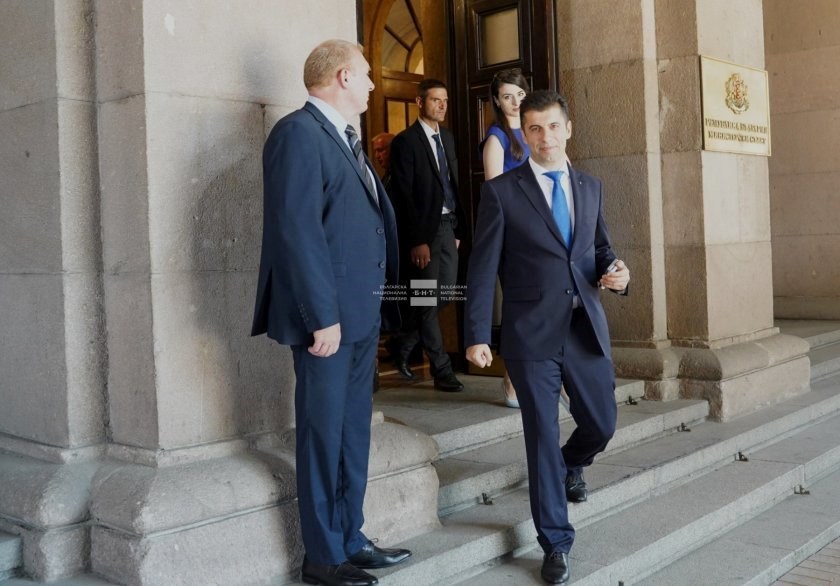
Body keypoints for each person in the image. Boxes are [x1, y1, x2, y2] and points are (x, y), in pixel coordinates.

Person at [251, 39, 410, 586]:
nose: (371, 84)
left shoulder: (344, 138)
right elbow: (297, 233)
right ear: (342, 76)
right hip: (328, 322)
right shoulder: (297, 134)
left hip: (362, 316)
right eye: (365, 74)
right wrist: (322, 316)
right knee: (322, 437)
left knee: (352, 434)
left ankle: (350, 538)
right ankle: (322, 557)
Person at [464, 90, 630, 585]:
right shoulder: (502, 193)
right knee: (540, 436)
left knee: (602, 423)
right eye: (534, 129)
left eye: (553, 127)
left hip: (583, 328)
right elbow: (482, 268)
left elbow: (600, 248)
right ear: (524, 134)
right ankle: (555, 542)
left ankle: (569, 466)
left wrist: (618, 273)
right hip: (530, 335)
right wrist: (476, 334)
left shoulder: (590, 186)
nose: (545, 137)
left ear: (568, 129)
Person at [388, 79, 466, 392]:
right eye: (436, 100)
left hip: (449, 227)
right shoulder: (405, 142)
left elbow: (453, 184)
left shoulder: (447, 138)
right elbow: (403, 195)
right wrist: (417, 240)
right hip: (424, 233)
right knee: (425, 299)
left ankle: (403, 340)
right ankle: (442, 370)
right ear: (420, 103)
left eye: (445, 100)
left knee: (444, 293)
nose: (442, 105)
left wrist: (458, 227)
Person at [480, 68, 531, 409]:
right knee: (518, 306)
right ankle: (511, 379)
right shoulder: (497, 138)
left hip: (545, 231)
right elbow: (496, 194)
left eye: (520, 95)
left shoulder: (535, 130)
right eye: (507, 96)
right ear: (497, 101)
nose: (515, 102)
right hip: (514, 234)